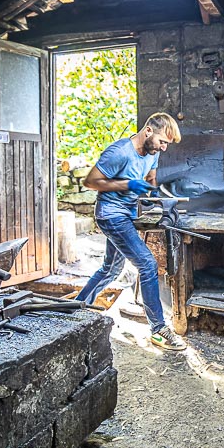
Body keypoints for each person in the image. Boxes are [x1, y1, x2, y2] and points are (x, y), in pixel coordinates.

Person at [76, 112, 187, 351]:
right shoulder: (119, 152)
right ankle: (158, 329)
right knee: (147, 264)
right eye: (162, 142)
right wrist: (127, 184)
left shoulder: (152, 153)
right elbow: (91, 181)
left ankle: (76, 308)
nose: (164, 148)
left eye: (167, 144)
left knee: (110, 268)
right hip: (111, 214)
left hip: (127, 213)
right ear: (148, 131)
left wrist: (154, 196)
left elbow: (151, 178)